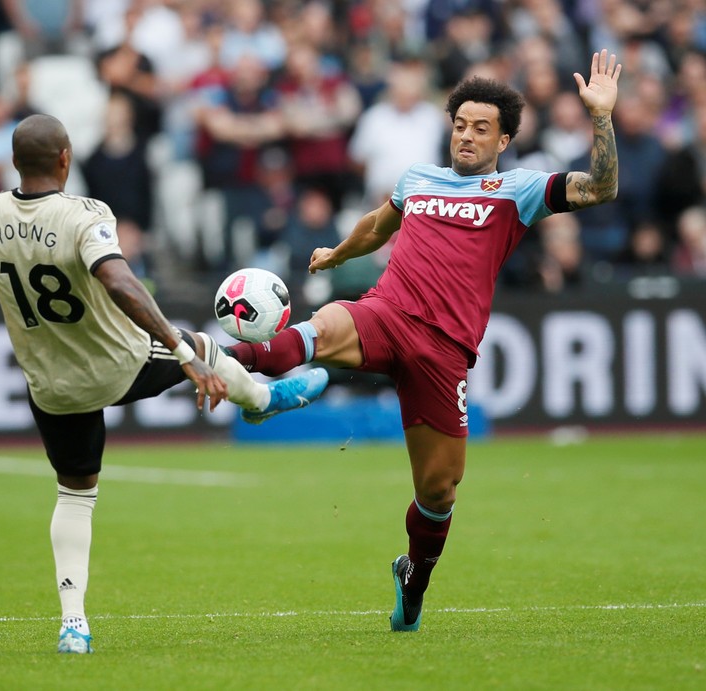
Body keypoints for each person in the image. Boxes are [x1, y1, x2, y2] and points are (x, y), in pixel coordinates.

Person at [0, 113, 329, 654]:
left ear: (13, 161)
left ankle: (73, 624)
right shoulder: (85, 214)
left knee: (75, 492)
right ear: (66, 158)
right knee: (197, 344)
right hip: (118, 364)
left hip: (52, 386)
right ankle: (264, 397)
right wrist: (176, 350)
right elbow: (119, 278)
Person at [224, 50, 622, 632]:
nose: (467, 135)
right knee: (323, 326)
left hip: (444, 352)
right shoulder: (418, 180)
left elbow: (602, 188)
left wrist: (601, 117)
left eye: (481, 128)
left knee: (438, 491)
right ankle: (224, 365)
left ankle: (414, 579)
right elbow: (377, 225)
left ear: (504, 139)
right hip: (387, 311)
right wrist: (338, 254)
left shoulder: (521, 189)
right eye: (460, 125)